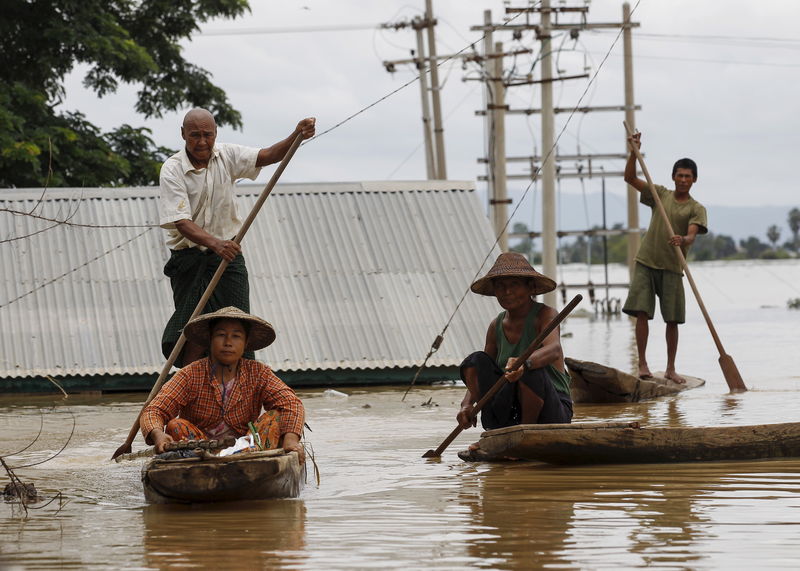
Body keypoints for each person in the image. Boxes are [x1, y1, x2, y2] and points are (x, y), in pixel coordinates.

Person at [158, 108, 316, 366]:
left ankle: (237, 391)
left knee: (236, 325)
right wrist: (215, 244)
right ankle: (189, 390)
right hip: (190, 260)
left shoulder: (227, 155)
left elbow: (268, 155)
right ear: (183, 135)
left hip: (228, 259)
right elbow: (181, 222)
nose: (201, 142)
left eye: (207, 135)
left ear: (215, 134)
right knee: (195, 330)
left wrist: (296, 135)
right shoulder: (173, 169)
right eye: (194, 135)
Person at [140, 306, 306, 463]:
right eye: (220, 335)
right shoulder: (190, 374)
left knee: (273, 418)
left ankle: (252, 461)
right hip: (200, 449)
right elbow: (155, 410)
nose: (228, 342)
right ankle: (204, 464)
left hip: (247, 448)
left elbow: (291, 404)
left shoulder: (258, 373)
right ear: (210, 340)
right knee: (175, 425)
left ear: (245, 343)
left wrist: (291, 441)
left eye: (236, 336)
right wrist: (157, 434)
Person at [456, 252, 573, 445]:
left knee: (529, 368)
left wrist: (524, 364)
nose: (507, 292)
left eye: (514, 285)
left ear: (530, 287)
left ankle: (523, 438)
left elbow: (554, 350)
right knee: (475, 361)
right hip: (511, 411)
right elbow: (483, 371)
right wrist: (467, 404)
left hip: (551, 412)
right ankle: (500, 433)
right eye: (501, 286)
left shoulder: (545, 315)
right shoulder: (496, 326)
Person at [622, 131, 708, 383]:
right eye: (679, 175)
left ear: (694, 180)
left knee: (672, 319)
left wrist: (683, 239)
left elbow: (692, 235)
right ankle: (643, 365)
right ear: (673, 177)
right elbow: (629, 178)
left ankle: (671, 368)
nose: (683, 180)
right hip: (646, 261)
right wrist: (633, 152)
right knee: (641, 312)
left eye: (687, 176)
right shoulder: (660, 194)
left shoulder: (696, 208)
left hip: (672, 267)